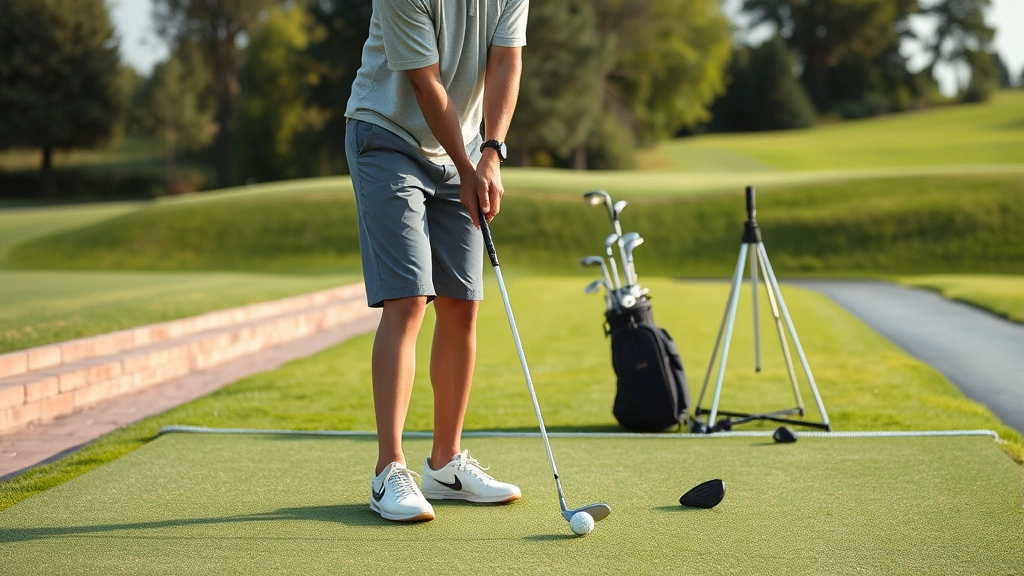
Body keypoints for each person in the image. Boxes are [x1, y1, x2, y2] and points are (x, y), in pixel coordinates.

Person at [344, 0, 529, 522]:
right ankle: (389, 471)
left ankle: (446, 463)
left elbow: (506, 60)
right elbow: (425, 84)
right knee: (408, 298)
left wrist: (490, 153)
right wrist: (469, 166)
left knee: (462, 303)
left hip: (465, 146)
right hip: (387, 136)